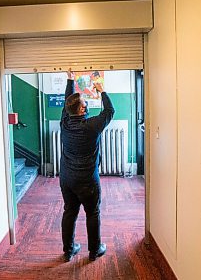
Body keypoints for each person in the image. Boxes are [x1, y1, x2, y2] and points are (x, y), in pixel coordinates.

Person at [59, 69, 115, 262]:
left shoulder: (64, 122)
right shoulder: (91, 126)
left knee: (70, 211)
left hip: (66, 178)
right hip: (87, 181)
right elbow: (109, 112)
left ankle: (68, 250)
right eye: (84, 104)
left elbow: (68, 102)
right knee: (92, 212)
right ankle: (94, 250)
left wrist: (69, 80)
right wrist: (102, 91)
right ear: (82, 110)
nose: (86, 105)